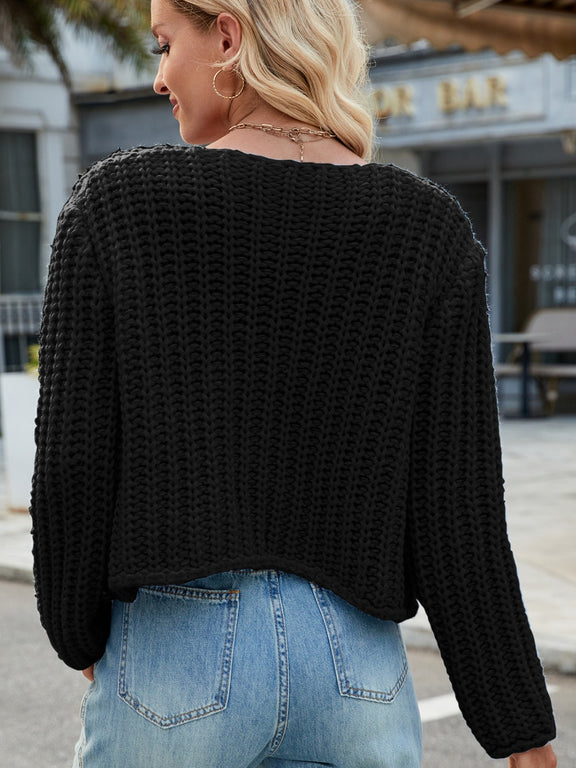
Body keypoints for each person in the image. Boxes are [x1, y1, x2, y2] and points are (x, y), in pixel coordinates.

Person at [29, 0, 558, 766]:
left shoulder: (118, 205)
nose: (159, 77)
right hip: (357, 666)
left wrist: (77, 633)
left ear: (228, 35)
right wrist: (521, 730)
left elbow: (73, 462)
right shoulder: (429, 229)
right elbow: (457, 507)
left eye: (164, 44)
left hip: (177, 660)